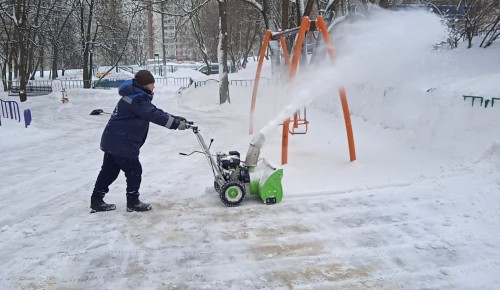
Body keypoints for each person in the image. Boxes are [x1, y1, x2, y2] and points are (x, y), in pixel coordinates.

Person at [90, 70, 188, 212]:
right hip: (122, 142)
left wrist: (175, 118)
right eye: (151, 84)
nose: (153, 87)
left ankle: (96, 200)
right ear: (145, 84)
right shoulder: (137, 99)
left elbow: (154, 111)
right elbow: (153, 115)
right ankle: (133, 202)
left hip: (114, 140)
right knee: (134, 170)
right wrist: (176, 124)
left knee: (109, 172)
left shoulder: (134, 94)